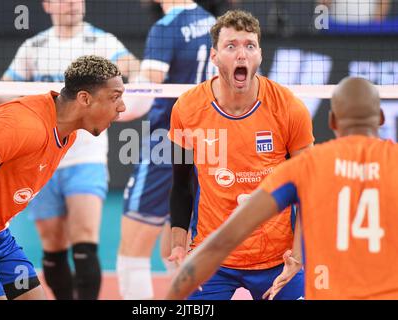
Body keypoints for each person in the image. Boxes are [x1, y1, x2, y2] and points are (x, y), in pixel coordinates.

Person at [166, 76, 398, 300]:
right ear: (380, 118)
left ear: (332, 121)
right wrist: (296, 258)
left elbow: (224, 240)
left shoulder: (305, 167)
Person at [0, 55, 126, 300]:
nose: (122, 107)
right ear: (84, 98)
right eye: (115, 97)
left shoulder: (66, 134)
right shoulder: (23, 126)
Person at [0, 0, 139, 300]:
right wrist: (33, 103)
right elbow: (0, 91)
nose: (74, 4)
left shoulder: (102, 41)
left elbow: (135, 70)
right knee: (53, 245)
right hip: (42, 159)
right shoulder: (34, 47)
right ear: (48, 5)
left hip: (87, 158)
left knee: (85, 239)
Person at [167, 10, 314, 300]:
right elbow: (181, 184)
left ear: (259, 54)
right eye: (231, 46)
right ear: (214, 56)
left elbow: (308, 191)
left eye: (249, 46)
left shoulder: (289, 108)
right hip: (212, 257)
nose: (241, 55)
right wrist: (178, 246)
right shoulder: (186, 108)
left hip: (277, 259)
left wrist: (296, 258)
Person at [116, 0, 216, 300]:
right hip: (210, 144)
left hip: (167, 144)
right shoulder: (213, 22)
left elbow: (143, 97)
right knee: (178, 246)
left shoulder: (165, 28)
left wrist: (103, 109)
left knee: (132, 252)